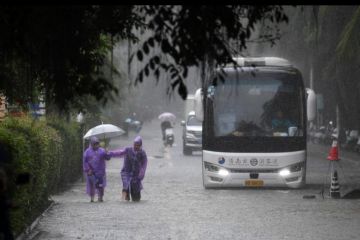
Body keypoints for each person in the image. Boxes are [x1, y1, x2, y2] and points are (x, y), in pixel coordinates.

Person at [109, 136, 148, 202]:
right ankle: (124, 198)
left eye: (138, 145)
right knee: (126, 185)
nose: (136, 147)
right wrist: (110, 153)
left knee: (136, 196)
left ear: (141, 145)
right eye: (135, 145)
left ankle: (135, 197)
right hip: (126, 172)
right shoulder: (128, 150)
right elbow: (119, 153)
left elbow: (144, 164)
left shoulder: (142, 153)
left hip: (136, 175)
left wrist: (141, 173)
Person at [83, 136, 112, 202]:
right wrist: (88, 170)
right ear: (91, 144)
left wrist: (107, 153)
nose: (96, 146)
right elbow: (85, 161)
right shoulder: (87, 152)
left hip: (100, 172)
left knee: (101, 185)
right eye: (94, 144)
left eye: (97, 144)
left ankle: (100, 197)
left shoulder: (102, 150)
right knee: (91, 185)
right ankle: (92, 198)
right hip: (91, 172)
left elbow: (107, 158)